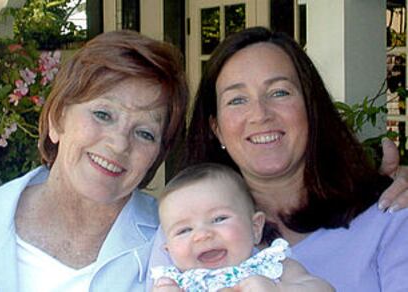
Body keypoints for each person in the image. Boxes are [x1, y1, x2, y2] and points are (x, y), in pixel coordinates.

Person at [148, 27, 408, 292]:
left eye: (279, 92)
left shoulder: (390, 217)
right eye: (237, 100)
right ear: (217, 129)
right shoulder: (183, 231)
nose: (260, 114)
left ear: (311, 107)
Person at [0, 30, 188, 291]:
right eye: (102, 114)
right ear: (57, 118)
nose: (119, 144)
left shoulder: (182, 241)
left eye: (144, 133)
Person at [151, 163, 334, 292]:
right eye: (184, 230)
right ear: (169, 250)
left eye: (219, 218)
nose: (202, 235)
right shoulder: (174, 283)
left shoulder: (271, 266)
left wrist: (280, 289)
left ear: (255, 227)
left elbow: (323, 288)